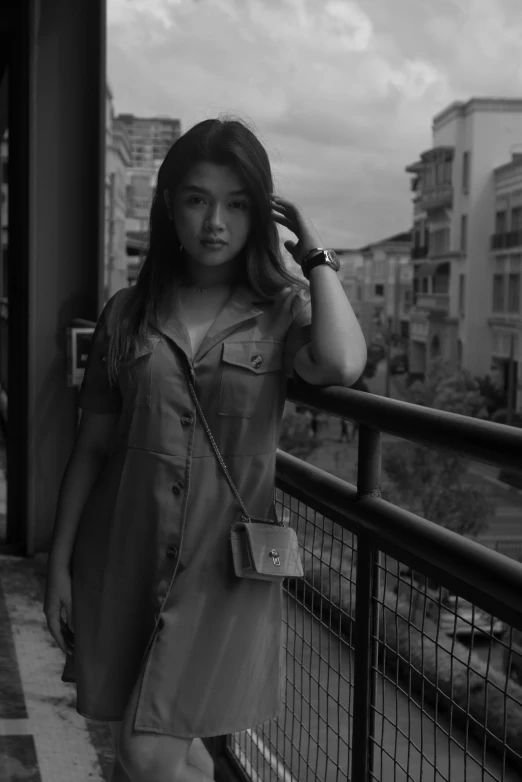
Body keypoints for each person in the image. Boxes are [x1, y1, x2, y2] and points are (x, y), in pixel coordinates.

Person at [43, 117, 367, 782]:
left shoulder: (281, 311)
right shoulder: (128, 312)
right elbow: (93, 446)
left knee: (144, 755)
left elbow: (340, 361)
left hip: (222, 569)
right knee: (174, 747)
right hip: (123, 553)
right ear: (169, 206)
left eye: (238, 203)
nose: (215, 222)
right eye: (197, 199)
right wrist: (60, 562)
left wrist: (314, 255)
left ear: (260, 213)